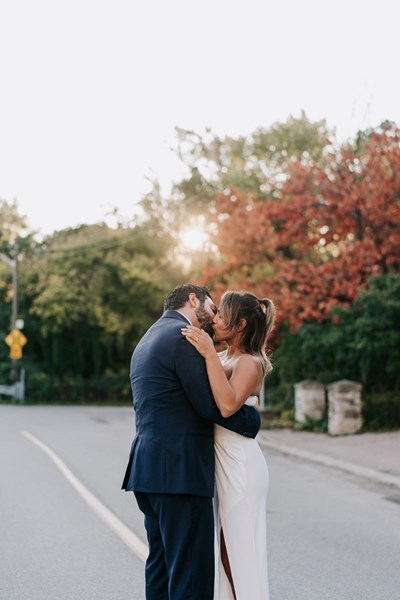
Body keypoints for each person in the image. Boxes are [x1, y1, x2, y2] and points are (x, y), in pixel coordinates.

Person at [122, 284, 260, 600]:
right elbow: (212, 406)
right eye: (212, 308)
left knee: (161, 567)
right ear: (193, 299)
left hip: (149, 470)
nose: (213, 319)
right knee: (191, 577)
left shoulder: (148, 338)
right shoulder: (183, 338)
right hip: (179, 474)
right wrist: (253, 419)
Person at [182, 291, 276, 600]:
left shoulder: (251, 362)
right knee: (226, 554)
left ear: (241, 324)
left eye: (222, 315)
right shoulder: (224, 357)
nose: (216, 320)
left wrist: (208, 353)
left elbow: (226, 405)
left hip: (241, 468)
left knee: (240, 554)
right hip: (222, 467)